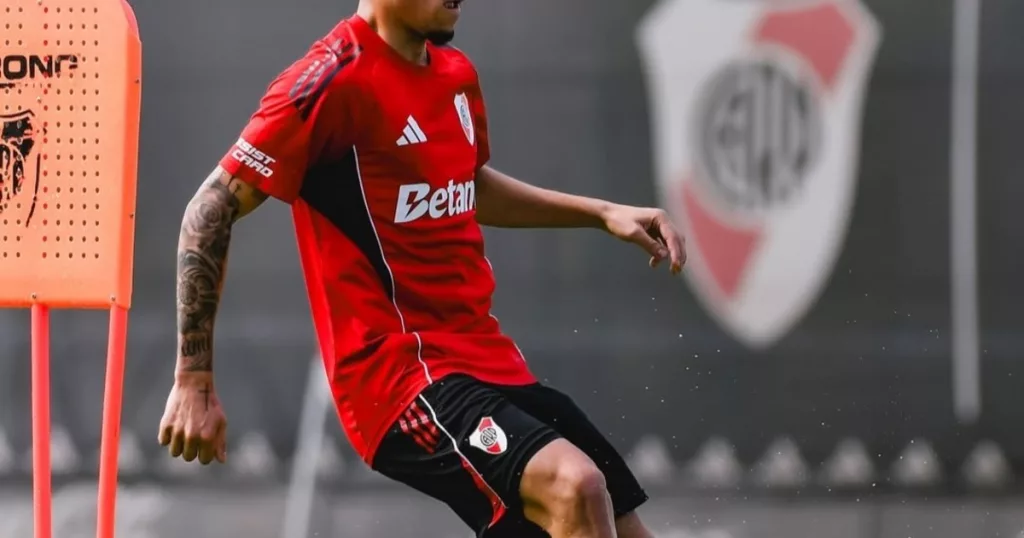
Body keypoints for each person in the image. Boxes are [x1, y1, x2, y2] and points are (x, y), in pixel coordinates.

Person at [157, 0, 685, 537]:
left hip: (486, 358)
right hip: (398, 375)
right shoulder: (329, 82)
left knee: (622, 522)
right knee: (575, 485)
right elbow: (209, 209)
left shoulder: (455, 73)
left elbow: (467, 186)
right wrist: (193, 380)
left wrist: (602, 213)